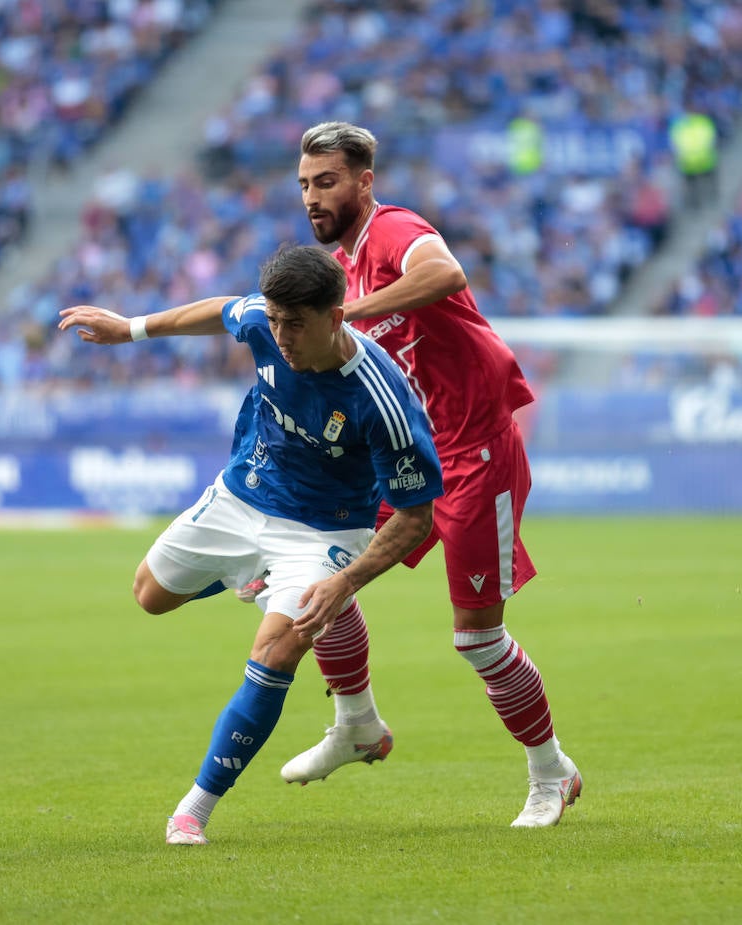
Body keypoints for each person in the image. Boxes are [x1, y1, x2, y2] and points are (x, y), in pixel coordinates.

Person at [57, 245, 443, 845]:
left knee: (274, 653)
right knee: (150, 595)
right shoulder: (265, 321)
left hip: (324, 532)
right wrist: (129, 329)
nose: (281, 336)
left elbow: (417, 516)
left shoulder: (382, 399)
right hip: (245, 492)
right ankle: (254, 574)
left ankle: (194, 809)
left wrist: (342, 583)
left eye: (297, 324)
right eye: (276, 320)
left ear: (336, 317)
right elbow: (219, 310)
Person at [279, 121, 580, 828]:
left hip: (477, 453)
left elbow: (445, 273)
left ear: (363, 182)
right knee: (312, 569)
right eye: (303, 185)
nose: (312, 197)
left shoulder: (391, 232)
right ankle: (356, 723)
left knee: (476, 639)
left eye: (326, 182)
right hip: (415, 456)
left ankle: (551, 773)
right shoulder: (342, 266)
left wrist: (348, 314)